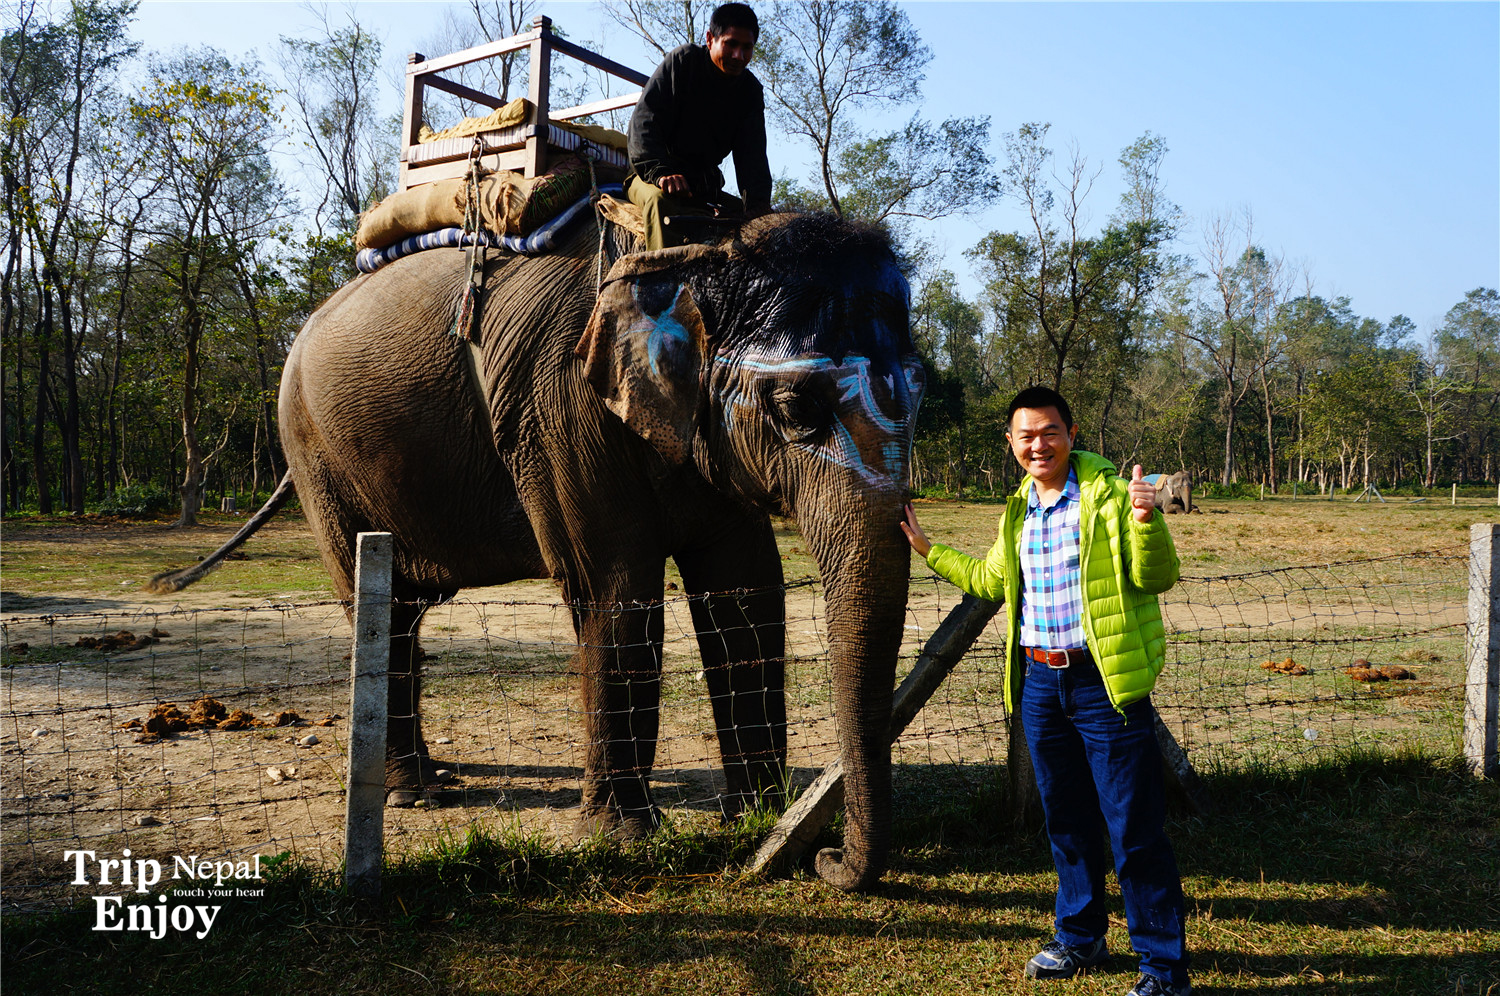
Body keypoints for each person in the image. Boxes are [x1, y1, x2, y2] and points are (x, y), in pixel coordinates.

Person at [901, 385, 1192, 996]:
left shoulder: (1110, 496)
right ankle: (1081, 937)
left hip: (1103, 684)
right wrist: (930, 549)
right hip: (1039, 682)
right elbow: (994, 579)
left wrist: (1146, 521)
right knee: (1066, 820)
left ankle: (1162, 968)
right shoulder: (1019, 510)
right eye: (1026, 435)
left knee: (1132, 827)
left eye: (1049, 432)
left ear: (1071, 433)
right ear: (1011, 443)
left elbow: (1156, 575)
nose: (1039, 444)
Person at [626, 2, 773, 250]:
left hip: (703, 187)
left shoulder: (750, 91)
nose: (739, 56)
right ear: (710, 39)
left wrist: (758, 206)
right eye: (731, 44)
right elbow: (644, 122)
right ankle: (661, 283)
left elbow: (753, 156)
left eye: (747, 48)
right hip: (652, 178)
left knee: (761, 227)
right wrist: (660, 172)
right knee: (660, 202)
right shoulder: (682, 62)